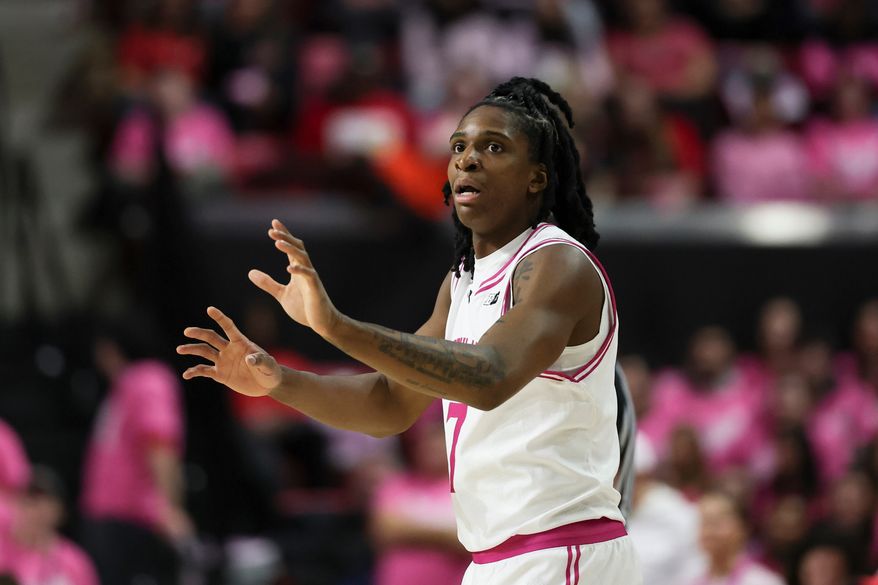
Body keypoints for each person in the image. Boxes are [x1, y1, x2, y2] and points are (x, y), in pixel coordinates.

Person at [178, 77, 641, 584]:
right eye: (459, 146)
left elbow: (490, 376)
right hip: (494, 560)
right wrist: (280, 383)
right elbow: (390, 404)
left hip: (563, 552)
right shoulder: (462, 283)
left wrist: (334, 327)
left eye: (494, 147)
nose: (467, 159)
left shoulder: (559, 264)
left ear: (537, 177)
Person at [81, 319, 191, 585]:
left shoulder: (148, 379)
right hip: (112, 518)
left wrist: (170, 508)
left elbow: (159, 446)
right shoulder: (127, 384)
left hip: (135, 519)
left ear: (111, 349)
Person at [0, 467, 98, 585]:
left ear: (59, 512)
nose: (34, 513)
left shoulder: (73, 562)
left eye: (44, 507)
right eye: (28, 503)